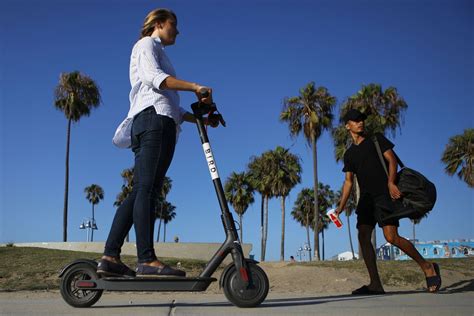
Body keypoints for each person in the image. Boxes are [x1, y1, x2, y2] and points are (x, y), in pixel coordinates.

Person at [98, 8, 216, 278]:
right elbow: (156, 80)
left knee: (140, 189)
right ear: (160, 23)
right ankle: (146, 260)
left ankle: (110, 257)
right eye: (174, 24)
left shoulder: (155, 50)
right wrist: (196, 87)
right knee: (147, 190)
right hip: (154, 122)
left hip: (152, 120)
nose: (177, 30)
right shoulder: (147, 45)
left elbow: (168, 102)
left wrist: (198, 120)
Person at [334, 109, 442, 294]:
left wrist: (391, 183)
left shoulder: (376, 139)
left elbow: (392, 160)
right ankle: (375, 283)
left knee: (391, 237)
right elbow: (348, 182)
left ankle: (428, 267)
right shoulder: (349, 154)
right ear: (347, 125)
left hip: (384, 196)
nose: (360, 122)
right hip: (366, 200)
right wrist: (340, 207)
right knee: (363, 236)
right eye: (356, 120)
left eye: (362, 119)